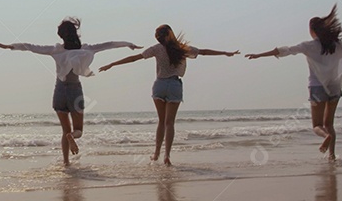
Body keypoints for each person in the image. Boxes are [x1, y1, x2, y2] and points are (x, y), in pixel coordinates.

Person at [245, 5, 342, 160]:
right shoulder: (336, 46)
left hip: (317, 88)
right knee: (330, 124)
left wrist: (259, 55)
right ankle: (331, 156)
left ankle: (325, 137)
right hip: (335, 88)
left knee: (317, 125)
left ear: (312, 30)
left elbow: (284, 50)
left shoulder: (308, 46)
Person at [0, 18, 139, 166]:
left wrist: (10, 46)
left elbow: (31, 47)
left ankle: (66, 162)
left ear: (61, 35)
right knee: (78, 131)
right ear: (75, 33)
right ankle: (71, 137)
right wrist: (129, 44)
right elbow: (110, 44)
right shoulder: (87, 49)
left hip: (59, 91)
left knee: (64, 130)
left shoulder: (56, 50)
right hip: (75, 91)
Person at [99, 24, 239, 166]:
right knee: (169, 123)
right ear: (170, 34)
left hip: (159, 85)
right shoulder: (182, 48)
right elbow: (204, 52)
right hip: (174, 85)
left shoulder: (156, 48)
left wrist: (111, 64)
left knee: (161, 121)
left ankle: (156, 154)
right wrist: (225, 52)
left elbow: (134, 58)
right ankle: (167, 155)